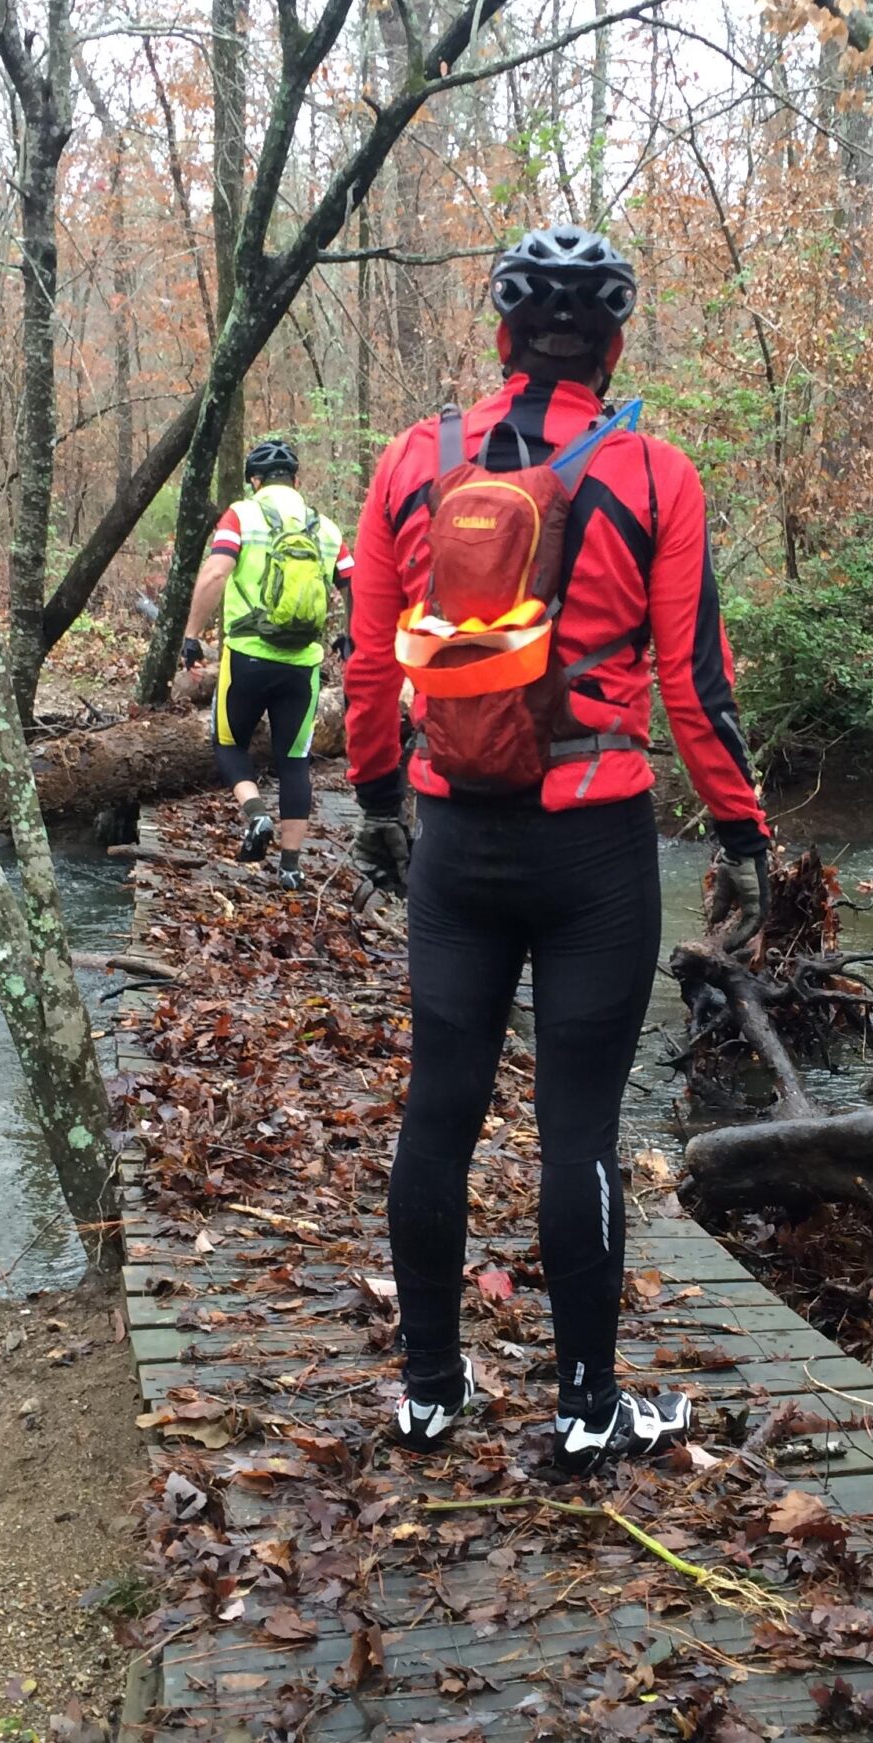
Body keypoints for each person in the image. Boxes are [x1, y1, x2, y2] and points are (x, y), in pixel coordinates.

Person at [344, 224, 772, 1472]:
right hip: (593, 843)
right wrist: (742, 833)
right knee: (577, 1128)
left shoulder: (411, 462)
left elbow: (370, 663)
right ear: (616, 340)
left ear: (501, 334)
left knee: (439, 1111)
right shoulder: (654, 475)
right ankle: (588, 1408)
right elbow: (696, 685)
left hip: (454, 836)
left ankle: (429, 1389)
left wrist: (378, 802)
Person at [180, 438, 350, 889]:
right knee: (294, 760)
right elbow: (357, 583)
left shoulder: (242, 515)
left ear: (254, 481)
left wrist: (192, 637)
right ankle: (291, 868)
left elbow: (216, 572)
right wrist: (351, 634)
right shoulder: (325, 528)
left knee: (228, 742)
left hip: (247, 656)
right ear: (297, 480)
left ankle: (256, 815)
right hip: (304, 664)